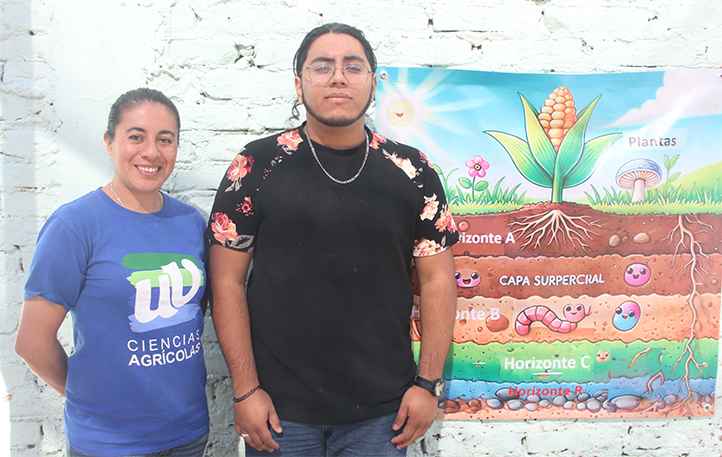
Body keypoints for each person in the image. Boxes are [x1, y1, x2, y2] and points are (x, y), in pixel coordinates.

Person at [207, 22, 458, 456]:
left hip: (384, 414)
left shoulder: (412, 169)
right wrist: (245, 390)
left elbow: (438, 281)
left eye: (352, 66)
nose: (338, 76)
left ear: (372, 82)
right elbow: (225, 282)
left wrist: (427, 384)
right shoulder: (256, 164)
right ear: (299, 82)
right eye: (321, 66)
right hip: (278, 413)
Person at [15, 88, 209, 457]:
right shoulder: (75, 225)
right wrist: (90, 396)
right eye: (135, 137)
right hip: (108, 443)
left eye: (164, 140)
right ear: (109, 142)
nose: (151, 152)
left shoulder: (189, 221)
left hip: (187, 433)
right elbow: (31, 342)